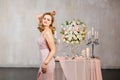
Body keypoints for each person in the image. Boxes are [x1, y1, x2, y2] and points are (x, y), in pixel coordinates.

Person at [37, 11, 56, 80]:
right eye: (44, 18)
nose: (45, 20)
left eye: (48, 20)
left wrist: (45, 63)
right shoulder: (43, 30)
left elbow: (53, 49)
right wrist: (50, 13)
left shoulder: (47, 32)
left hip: (47, 61)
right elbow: (38, 17)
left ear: (51, 22)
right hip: (43, 59)